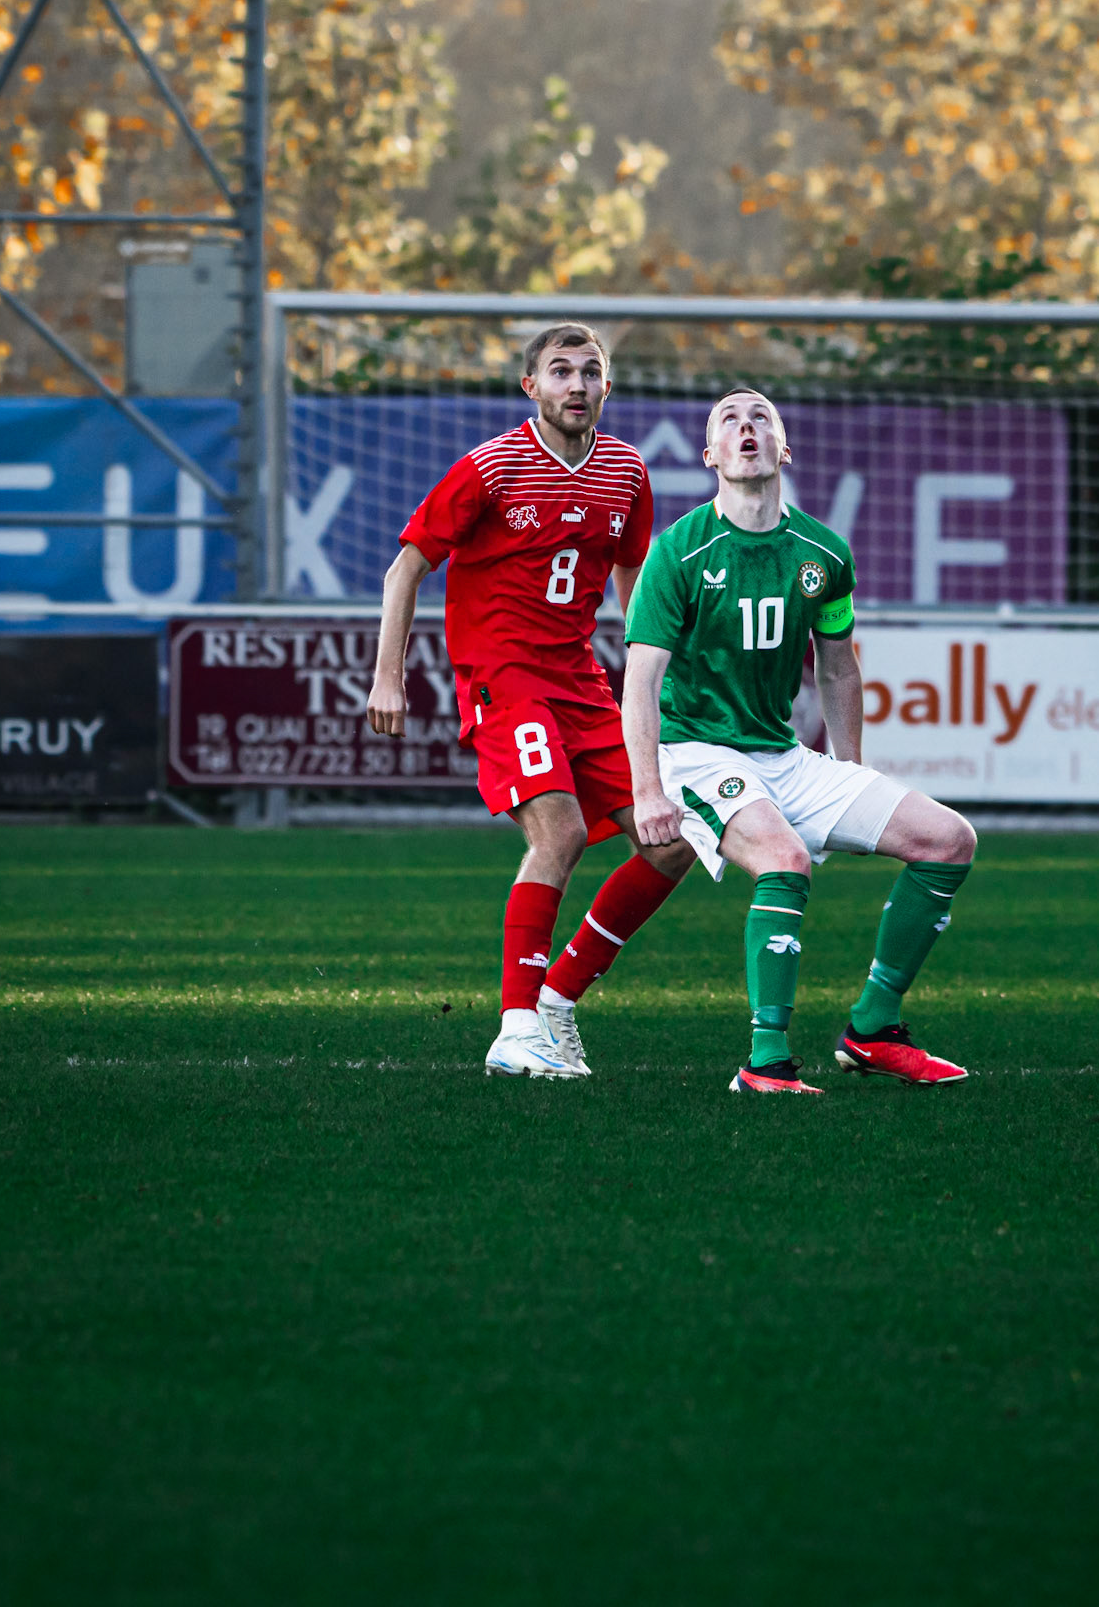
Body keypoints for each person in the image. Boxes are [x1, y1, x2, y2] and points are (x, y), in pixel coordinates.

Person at [620, 386, 977, 1095]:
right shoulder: (677, 554)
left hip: (782, 755)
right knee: (784, 860)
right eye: (729, 420)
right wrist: (646, 789)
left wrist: (852, 777)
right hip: (695, 751)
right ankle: (765, 1061)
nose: (745, 428)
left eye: (760, 419)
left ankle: (871, 1030)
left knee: (949, 840)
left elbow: (839, 666)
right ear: (709, 456)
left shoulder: (824, 553)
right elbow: (637, 681)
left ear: (783, 449)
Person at [366, 322, 692, 1079]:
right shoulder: (490, 468)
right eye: (559, 372)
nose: (575, 385)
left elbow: (632, 582)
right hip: (503, 676)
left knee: (672, 838)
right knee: (561, 831)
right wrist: (389, 674)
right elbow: (404, 570)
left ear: (607, 387)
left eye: (589, 372)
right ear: (531, 387)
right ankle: (515, 1028)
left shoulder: (626, 472)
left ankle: (555, 1004)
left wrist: (651, 679)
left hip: (581, 681)